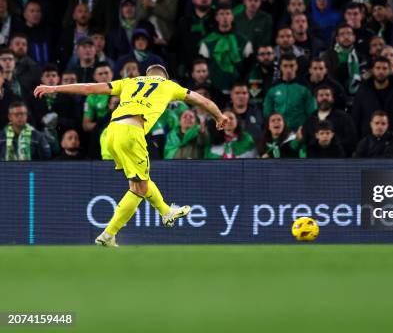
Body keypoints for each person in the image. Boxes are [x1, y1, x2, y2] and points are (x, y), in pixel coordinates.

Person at [33, 64, 228, 247]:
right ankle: (109, 233)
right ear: (165, 77)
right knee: (139, 189)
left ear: (146, 75)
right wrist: (219, 117)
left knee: (139, 182)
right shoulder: (170, 86)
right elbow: (203, 101)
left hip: (111, 133)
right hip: (132, 133)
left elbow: (88, 88)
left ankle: (166, 211)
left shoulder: (130, 82)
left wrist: (54, 88)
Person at [263, 54, 316, 131]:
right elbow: (268, 113)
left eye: (291, 66)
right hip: (279, 131)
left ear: (296, 66)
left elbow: (312, 113)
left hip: (299, 131)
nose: (288, 69)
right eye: (285, 66)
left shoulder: (306, 88)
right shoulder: (272, 88)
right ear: (280, 67)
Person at [301, 85, 357, 156]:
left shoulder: (344, 117)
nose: (324, 97)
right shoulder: (310, 119)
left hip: (339, 160)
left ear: (332, 98)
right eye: (321, 95)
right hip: (315, 161)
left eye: (327, 95)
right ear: (316, 99)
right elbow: (306, 141)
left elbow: (352, 140)